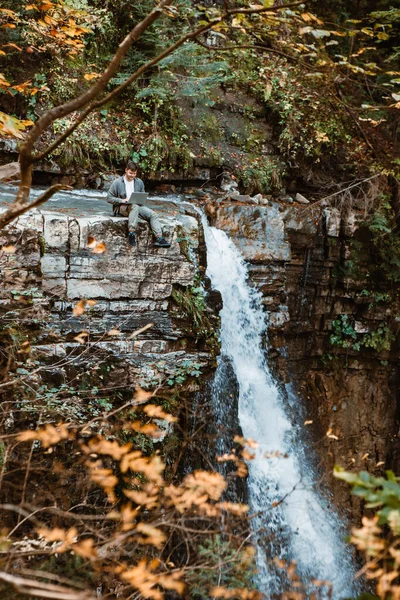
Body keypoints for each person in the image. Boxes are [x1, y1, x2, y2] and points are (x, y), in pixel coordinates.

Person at [107, 161, 171, 248]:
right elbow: (109, 198)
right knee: (135, 207)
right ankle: (131, 233)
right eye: (130, 173)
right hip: (122, 207)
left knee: (153, 215)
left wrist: (140, 200)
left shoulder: (139, 182)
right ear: (126, 170)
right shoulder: (117, 182)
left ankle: (159, 238)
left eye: (134, 173)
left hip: (136, 206)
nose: (132, 175)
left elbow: (142, 196)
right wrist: (122, 200)